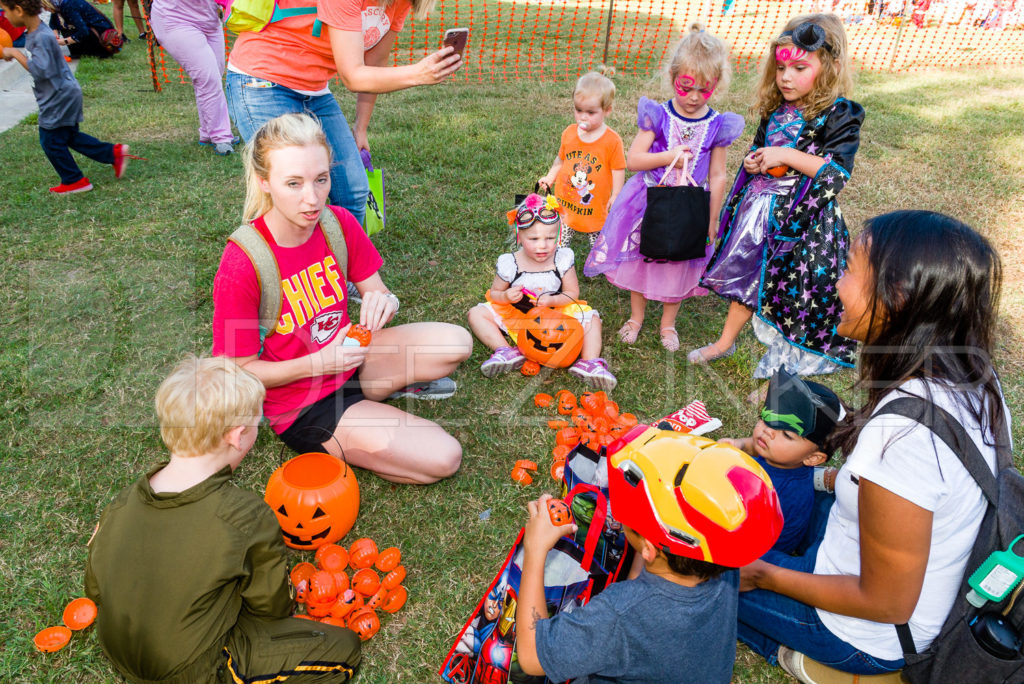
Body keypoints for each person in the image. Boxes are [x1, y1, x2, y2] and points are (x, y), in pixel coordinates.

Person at [737, 210, 1009, 679]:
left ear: (897, 297)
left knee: (688, 571)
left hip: (867, 630)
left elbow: (884, 601)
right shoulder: (974, 378)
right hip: (898, 577)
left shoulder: (902, 440)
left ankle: (835, 667)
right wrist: (823, 478)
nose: (837, 285)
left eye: (848, 270)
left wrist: (761, 574)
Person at [212, 113, 472, 484]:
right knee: (445, 457)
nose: (312, 197)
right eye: (293, 183)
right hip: (303, 403)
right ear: (264, 182)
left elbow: (379, 291)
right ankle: (361, 425)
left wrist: (385, 303)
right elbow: (235, 371)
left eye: (321, 179)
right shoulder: (243, 261)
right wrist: (319, 362)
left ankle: (375, 405)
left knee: (455, 341)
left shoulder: (337, 223)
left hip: (353, 361)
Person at [85, 355, 362, 683]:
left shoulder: (123, 501)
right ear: (237, 435)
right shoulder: (244, 516)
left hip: (121, 653)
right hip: (191, 670)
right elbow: (270, 608)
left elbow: (95, 588)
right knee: (343, 649)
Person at [513, 428, 784, 683]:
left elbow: (532, 656)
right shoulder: (721, 556)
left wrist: (536, 549)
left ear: (649, 549)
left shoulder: (617, 614)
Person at [692, 14, 863, 393]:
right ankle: (725, 341)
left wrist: (785, 153)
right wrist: (755, 161)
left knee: (794, 289)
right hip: (761, 211)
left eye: (800, 67)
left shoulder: (839, 114)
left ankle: (789, 363)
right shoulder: (776, 109)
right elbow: (759, 151)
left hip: (805, 222)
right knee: (749, 275)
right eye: (781, 67)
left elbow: (835, 175)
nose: (786, 77)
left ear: (831, 67)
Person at [225, 0, 460, 226]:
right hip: (263, 81)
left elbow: (375, 63)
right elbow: (353, 76)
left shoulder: (401, 2)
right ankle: (279, 262)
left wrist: (361, 127)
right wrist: (419, 74)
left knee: (354, 192)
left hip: (315, 89)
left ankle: (343, 263)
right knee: (288, 190)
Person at [584, 24, 743, 352]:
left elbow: (718, 175)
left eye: (704, 89)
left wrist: (712, 219)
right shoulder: (658, 116)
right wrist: (669, 156)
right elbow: (633, 159)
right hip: (649, 201)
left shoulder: (717, 125)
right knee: (641, 260)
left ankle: (668, 323)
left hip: (689, 207)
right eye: (686, 87)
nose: (694, 97)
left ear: (716, 87)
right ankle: (636, 317)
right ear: (673, 78)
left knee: (680, 264)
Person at [467, 193, 617, 391]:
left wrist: (552, 299)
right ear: (519, 236)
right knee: (476, 313)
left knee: (592, 318)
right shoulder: (510, 263)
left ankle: (589, 363)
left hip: (556, 315)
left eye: (549, 238)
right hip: (520, 315)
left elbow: (573, 293)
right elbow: (494, 293)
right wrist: (505, 296)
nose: (542, 245)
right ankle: (505, 351)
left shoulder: (561, 259)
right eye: (534, 238)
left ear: (558, 235)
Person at [0, 0, 133, 194]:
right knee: (68, 136)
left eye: (5, 11)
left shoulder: (40, 37)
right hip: (65, 91)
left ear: (19, 11)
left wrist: (14, 53)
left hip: (57, 96)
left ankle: (74, 180)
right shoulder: (40, 31)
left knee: (50, 140)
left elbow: (41, 71)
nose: (4, 16)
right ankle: (113, 154)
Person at [721, 368, 843, 555]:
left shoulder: (780, 491)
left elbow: (736, 525)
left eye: (786, 434)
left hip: (760, 552)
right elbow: (755, 444)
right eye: (765, 419)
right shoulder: (782, 456)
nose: (767, 431)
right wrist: (740, 445)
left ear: (813, 458)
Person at [537, 71, 626, 250]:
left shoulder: (612, 141)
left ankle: (598, 255)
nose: (583, 117)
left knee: (597, 234)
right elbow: (560, 159)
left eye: (591, 112)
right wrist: (549, 177)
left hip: (594, 204)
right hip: (566, 199)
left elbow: (618, 169)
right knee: (564, 229)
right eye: (578, 110)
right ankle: (561, 255)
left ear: (607, 110)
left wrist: (616, 194)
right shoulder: (569, 133)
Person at [149, 0, 236, 155]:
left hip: (210, 19)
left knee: (214, 74)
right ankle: (221, 136)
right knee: (207, 77)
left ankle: (208, 133)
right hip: (174, 18)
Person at [44, 0, 121, 58]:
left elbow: (83, 31)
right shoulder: (58, 5)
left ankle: (90, 51)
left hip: (100, 35)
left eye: (45, 6)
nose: (45, 9)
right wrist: (55, 35)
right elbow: (53, 23)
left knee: (69, 30)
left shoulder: (68, 6)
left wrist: (64, 41)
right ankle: (80, 51)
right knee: (66, 27)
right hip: (88, 30)